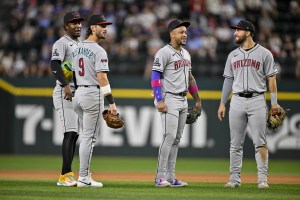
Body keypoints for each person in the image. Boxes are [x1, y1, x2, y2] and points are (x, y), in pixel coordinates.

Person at [217, 20, 281, 189]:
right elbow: (228, 81)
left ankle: (262, 179)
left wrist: (274, 103)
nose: (235, 33)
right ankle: (234, 179)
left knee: (260, 142)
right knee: (235, 143)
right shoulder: (232, 55)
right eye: (235, 30)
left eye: (238, 30)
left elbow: (272, 79)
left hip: (257, 99)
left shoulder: (264, 53)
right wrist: (222, 103)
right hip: (237, 100)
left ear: (248, 32)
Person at [151, 19, 201, 187]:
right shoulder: (163, 52)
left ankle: (171, 177)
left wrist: (197, 100)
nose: (185, 34)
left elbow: (189, 78)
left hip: (183, 98)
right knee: (169, 136)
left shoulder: (186, 54)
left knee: (177, 139)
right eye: (181, 32)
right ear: (172, 34)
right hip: (169, 98)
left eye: (185, 32)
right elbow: (155, 77)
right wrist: (159, 100)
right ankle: (160, 177)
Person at [72, 14, 118, 187]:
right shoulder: (99, 50)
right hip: (91, 94)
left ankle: (84, 175)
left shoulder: (76, 48)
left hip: (78, 94)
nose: (105, 28)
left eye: (106, 25)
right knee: (89, 138)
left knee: (85, 136)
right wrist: (112, 103)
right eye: (101, 25)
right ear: (92, 28)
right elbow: (102, 79)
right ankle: (83, 177)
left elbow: (71, 71)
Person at [51, 11, 84, 187]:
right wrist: (64, 85)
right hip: (65, 92)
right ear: (65, 26)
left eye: (79, 22)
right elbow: (54, 64)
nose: (78, 25)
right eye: (73, 23)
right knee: (70, 132)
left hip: (77, 92)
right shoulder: (61, 43)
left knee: (75, 134)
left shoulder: (80, 44)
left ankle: (68, 174)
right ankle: (65, 175)